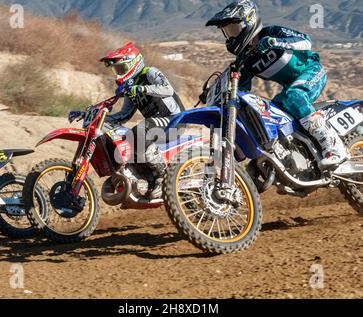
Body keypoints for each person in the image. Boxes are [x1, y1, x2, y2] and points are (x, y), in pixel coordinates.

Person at [206, 0, 349, 169]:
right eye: (227, 32)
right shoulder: (246, 61)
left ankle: (334, 147)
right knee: (270, 112)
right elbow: (241, 91)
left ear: (249, 22)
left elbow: (306, 42)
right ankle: (297, 154)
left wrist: (276, 42)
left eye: (234, 30)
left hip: (312, 71)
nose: (231, 37)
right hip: (290, 87)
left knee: (295, 96)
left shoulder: (272, 32)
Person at [101, 43, 185, 199]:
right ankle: (146, 177)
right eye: (117, 70)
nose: (119, 73)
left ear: (133, 63)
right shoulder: (131, 88)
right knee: (126, 137)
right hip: (157, 125)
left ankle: (163, 176)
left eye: (121, 69)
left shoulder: (149, 73)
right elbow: (124, 115)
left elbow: (168, 89)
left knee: (140, 130)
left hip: (175, 121)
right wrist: (100, 118)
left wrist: (143, 88)